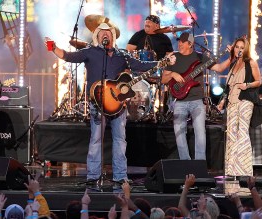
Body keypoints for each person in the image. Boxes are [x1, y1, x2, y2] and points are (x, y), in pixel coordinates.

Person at [45, 22, 175, 183]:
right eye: (102, 33)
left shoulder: (122, 55)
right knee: (96, 139)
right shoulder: (90, 52)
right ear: (97, 37)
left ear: (113, 37)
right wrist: (53, 47)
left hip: (118, 105)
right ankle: (93, 175)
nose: (105, 35)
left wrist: (163, 62)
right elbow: (68, 56)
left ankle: (120, 176)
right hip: (97, 103)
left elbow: (141, 65)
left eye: (109, 33)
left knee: (120, 140)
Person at [161, 32, 232, 160]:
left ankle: (199, 165)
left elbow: (220, 68)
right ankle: (185, 164)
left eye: (183, 42)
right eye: (179, 41)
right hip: (179, 101)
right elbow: (163, 79)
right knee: (179, 134)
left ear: (190, 44)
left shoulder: (200, 57)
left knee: (200, 134)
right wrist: (172, 75)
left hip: (197, 101)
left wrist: (230, 57)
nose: (180, 44)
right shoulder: (173, 58)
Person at [217, 37, 261, 177]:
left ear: (245, 49)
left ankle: (243, 170)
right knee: (231, 134)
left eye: (242, 48)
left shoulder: (250, 63)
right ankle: (231, 170)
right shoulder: (233, 63)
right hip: (232, 101)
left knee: (242, 133)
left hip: (245, 101)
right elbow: (229, 85)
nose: (239, 50)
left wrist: (246, 85)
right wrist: (223, 101)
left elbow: (259, 81)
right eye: (237, 47)